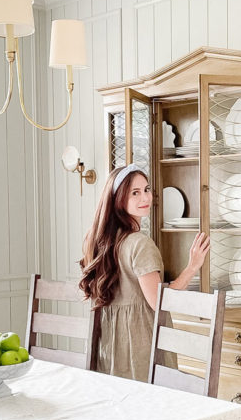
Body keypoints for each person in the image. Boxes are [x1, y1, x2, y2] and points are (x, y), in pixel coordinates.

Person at [79, 163, 210, 381]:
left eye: (147, 189)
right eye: (135, 193)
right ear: (119, 199)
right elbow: (160, 302)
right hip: (141, 350)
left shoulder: (101, 243)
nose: (145, 198)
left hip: (110, 349)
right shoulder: (139, 244)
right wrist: (192, 267)